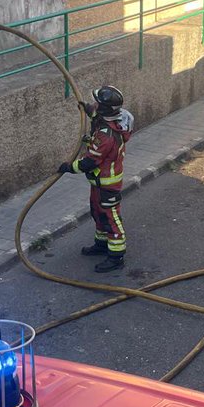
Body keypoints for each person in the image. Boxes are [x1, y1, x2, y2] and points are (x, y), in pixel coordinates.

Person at [58, 86, 134, 273]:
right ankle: (101, 244)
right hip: (98, 184)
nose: (94, 104)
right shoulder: (106, 122)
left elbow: (89, 163)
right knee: (98, 213)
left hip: (108, 185)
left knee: (110, 218)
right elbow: (97, 118)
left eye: (96, 103)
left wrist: (68, 167)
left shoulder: (106, 137)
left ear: (104, 108)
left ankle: (116, 256)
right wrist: (88, 110)